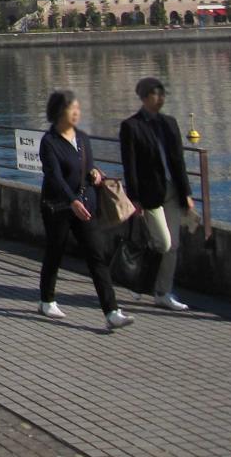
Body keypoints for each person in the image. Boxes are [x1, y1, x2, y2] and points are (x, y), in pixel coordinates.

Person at [39, 89, 132, 329]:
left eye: (78, 109)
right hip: (58, 207)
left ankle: (111, 311)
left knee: (96, 255)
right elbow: (54, 177)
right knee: (55, 252)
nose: (77, 113)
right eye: (73, 109)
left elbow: (88, 168)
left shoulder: (82, 138)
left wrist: (96, 174)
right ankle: (47, 300)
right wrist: (71, 201)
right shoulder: (49, 142)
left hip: (85, 206)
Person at [120, 76, 194, 311]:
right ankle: (144, 282)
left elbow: (178, 162)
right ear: (143, 97)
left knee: (174, 246)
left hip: (173, 190)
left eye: (163, 94)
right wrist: (134, 198)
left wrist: (187, 193)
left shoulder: (169, 123)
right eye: (156, 94)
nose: (160, 98)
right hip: (149, 194)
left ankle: (163, 292)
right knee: (162, 242)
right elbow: (129, 165)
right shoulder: (131, 126)